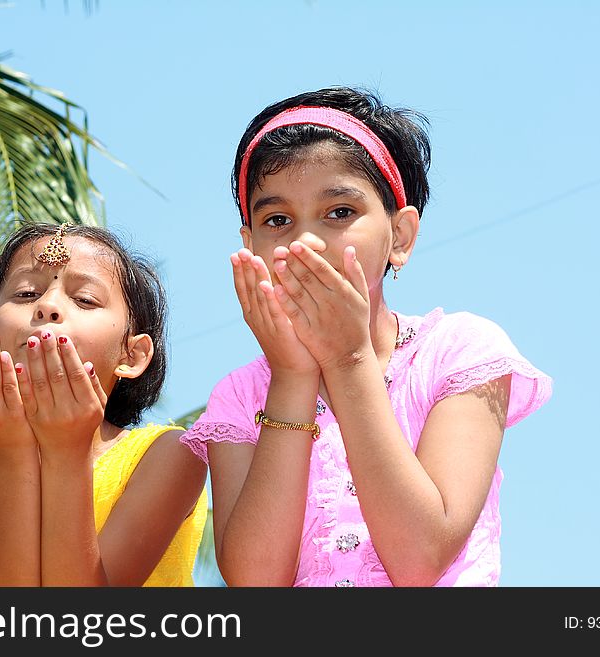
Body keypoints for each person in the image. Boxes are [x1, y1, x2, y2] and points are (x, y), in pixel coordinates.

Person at [180, 87, 552, 587]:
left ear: (400, 237)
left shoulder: (458, 352)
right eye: (277, 220)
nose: (305, 241)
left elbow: (420, 557)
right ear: (250, 245)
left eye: (339, 212)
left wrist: (349, 358)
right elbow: (254, 581)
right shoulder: (240, 396)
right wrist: (292, 376)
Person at [0, 222, 208, 586]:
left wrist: (67, 449)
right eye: (25, 294)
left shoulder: (170, 455)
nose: (48, 307)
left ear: (132, 355)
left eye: (85, 300)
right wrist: (11, 448)